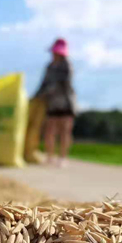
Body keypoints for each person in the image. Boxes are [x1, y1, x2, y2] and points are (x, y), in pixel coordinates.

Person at [36, 38, 77, 166]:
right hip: (52, 103)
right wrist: (37, 96)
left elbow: (63, 83)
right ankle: (50, 156)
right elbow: (43, 83)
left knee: (64, 130)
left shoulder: (67, 66)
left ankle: (63, 157)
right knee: (50, 129)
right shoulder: (49, 67)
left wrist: (47, 92)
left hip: (66, 102)